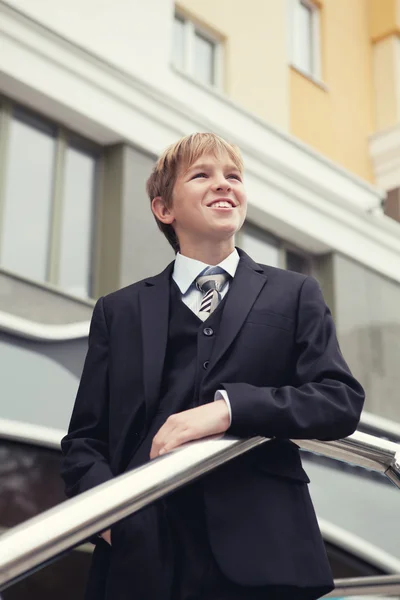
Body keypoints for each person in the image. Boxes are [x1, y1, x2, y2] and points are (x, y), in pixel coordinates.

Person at [61, 133, 365, 600]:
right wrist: (115, 521)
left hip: (265, 556)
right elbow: (84, 442)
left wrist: (228, 408)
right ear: (165, 209)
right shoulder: (117, 311)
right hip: (142, 563)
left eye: (234, 176)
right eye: (202, 175)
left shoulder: (295, 293)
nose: (223, 185)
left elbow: (339, 399)